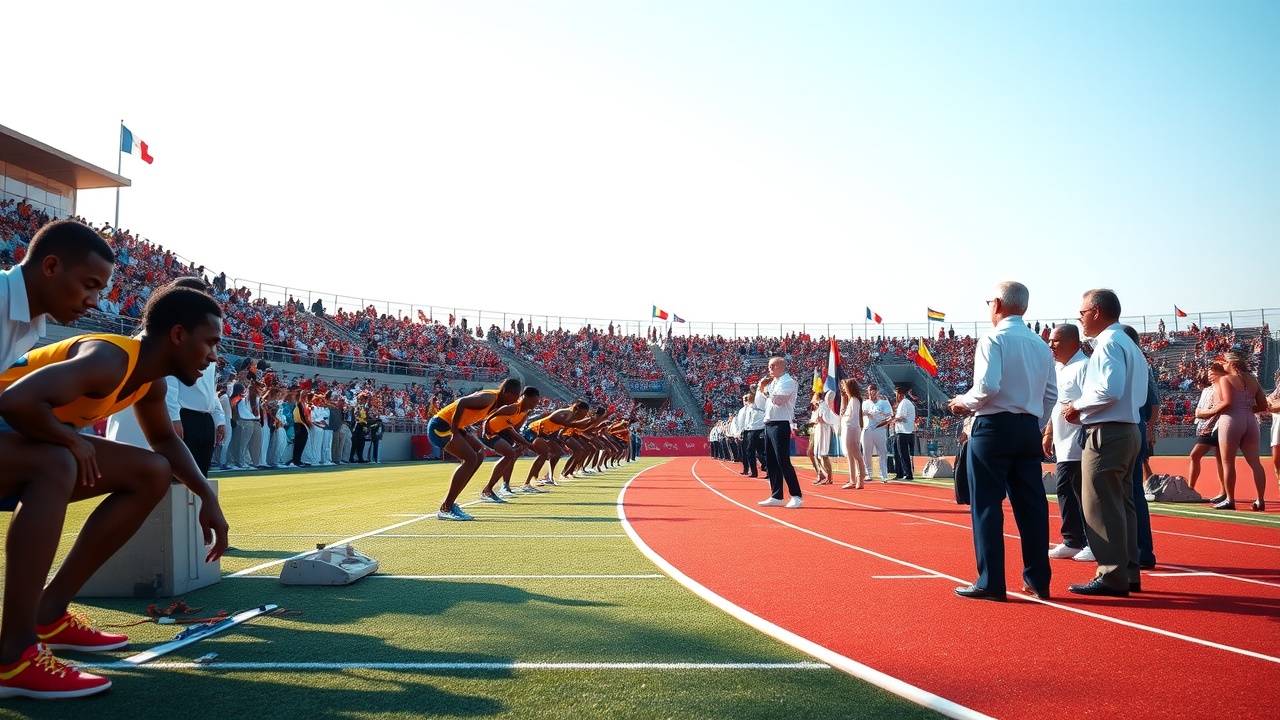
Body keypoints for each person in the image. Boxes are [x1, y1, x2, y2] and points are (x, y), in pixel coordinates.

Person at [0, 285, 230, 699]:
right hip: (12, 435)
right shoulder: (109, 358)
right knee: (58, 460)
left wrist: (207, 497)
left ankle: (48, 615)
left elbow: (165, 441)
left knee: (151, 472)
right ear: (178, 335)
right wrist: (70, 440)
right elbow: (14, 401)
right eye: (210, 342)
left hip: (17, 448)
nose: (214, 356)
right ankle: (14, 655)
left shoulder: (150, 381)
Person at [948, 281, 1056, 602]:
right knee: (1032, 507)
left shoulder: (993, 338)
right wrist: (1034, 425)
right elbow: (1051, 394)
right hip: (1027, 429)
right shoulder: (1041, 345)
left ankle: (991, 581)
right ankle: (1038, 580)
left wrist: (962, 403)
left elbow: (988, 386)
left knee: (986, 505)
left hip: (993, 429)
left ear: (996, 304)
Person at [1062, 288, 1147, 597]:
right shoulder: (1128, 343)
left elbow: (1110, 389)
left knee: (1099, 505)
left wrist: (1077, 406)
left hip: (1108, 433)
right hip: (1127, 429)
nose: (1080, 319)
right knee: (1122, 505)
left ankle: (1111, 575)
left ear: (1096, 312)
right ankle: (1128, 572)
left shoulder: (1109, 343)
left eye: (1082, 313)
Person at [426, 378, 521, 519]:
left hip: (454, 426)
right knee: (470, 459)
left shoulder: (496, 403)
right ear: (506, 393)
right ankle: (446, 508)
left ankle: (452, 501)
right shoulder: (489, 398)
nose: (514, 402)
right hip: (441, 426)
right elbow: (462, 402)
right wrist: (455, 431)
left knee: (479, 453)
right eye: (514, 398)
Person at [1043, 324, 1092, 562]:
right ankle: (1072, 540)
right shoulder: (1058, 369)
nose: (1050, 345)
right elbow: (1056, 404)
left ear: (1073, 342)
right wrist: (1049, 433)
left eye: (1056, 341)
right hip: (1062, 442)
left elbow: (1092, 400)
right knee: (1065, 489)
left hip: (1080, 441)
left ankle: (1092, 543)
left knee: (1082, 493)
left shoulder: (1084, 366)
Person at [1206, 351, 1269, 511]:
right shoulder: (1253, 380)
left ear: (1232, 363)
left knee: (1228, 462)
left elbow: (1227, 402)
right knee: (1256, 463)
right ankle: (1260, 500)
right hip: (1250, 421)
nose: (1222, 365)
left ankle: (1230, 499)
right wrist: (1246, 410)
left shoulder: (1226, 379)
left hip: (1231, 420)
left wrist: (1208, 413)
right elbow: (1263, 405)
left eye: (1224, 362)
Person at [476, 386, 541, 500]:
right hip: (489, 432)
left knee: (512, 454)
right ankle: (488, 489)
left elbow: (513, 430)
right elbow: (490, 416)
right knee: (509, 454)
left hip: (501, 433)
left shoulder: (523, 414)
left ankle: (504, 486)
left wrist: (521, 443)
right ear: (526, 398)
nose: (535, 405)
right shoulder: (513, 408)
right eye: (534, 401)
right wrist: (484, 429)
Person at [755, 356, 802, 508]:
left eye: (773, 366)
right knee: (771, 461)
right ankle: (776, 495)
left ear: (781, 366)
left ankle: (796, 495)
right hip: (769, 423)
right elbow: (760, 404)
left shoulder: (788, 381)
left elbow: (778, 400)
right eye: (769, 366)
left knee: (783, 460)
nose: (770, 369)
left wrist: (766, 390)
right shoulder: (772, 383)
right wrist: (761, 389)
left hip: (781, 423)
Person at [1187, 363, 1226, 495]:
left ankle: (1223, 491)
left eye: (1213, 372)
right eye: (1209, 372)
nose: (1210, 375)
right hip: (1205, 426)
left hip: (1216, 426)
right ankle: (1223, 491)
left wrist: (1205, 414)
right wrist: (1203, 414)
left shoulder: (1222, 389)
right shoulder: (1206, 390)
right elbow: (1198, 411)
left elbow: (1219, 409)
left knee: (1197, 455)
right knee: (1217, 458)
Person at [839, 378, 868, 489]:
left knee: (855, 454)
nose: (843, 388)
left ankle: (859, 478)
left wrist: (844, 417)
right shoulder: (852, 400)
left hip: (851, 429)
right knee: (852, 454)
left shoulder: (854, 400)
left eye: (845, 386)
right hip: (851, 428)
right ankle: (856, 479)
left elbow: (852, 418)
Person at [861, 384, 893, 483]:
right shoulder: (865, 403)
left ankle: (884, 475)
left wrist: (879, 417)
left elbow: (889, 416)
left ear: (876, 391)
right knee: (866, 452)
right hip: (867, 430)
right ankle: (868, 474)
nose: (871, 392)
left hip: (880, 430)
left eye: (873, 390)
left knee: (883, 452)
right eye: (869, 390)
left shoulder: (883, 402)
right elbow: (861, 414)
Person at [807, 392, 836, 485]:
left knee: (823, 454)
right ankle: (823, 474)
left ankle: (828, 477)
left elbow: (827, 420)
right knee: (815, 453)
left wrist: (819, 420)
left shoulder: (824, 406)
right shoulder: (818, 407)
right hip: (817, 431)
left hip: (823, 431)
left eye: (815, 395)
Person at [736, 392, 765, 478]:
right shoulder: (746, 409)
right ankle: (754, 471)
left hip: (757, 429)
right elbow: (743, 421)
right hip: (749, 430)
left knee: (759, 452)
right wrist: (741, 430)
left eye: (747, 398)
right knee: (751, 451)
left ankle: (765, 468)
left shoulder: (760, 407)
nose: (746, 400)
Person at [892, 386, 917, 480]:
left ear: (900, 394)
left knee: (903, 453)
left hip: (904, 431)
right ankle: (900, 472)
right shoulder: (904, 403)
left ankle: (907, 473)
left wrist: (892, 420)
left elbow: (902, 417)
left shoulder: (904, 403)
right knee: (897, 452)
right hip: (902, 431)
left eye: (896, 394)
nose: (896, 397)